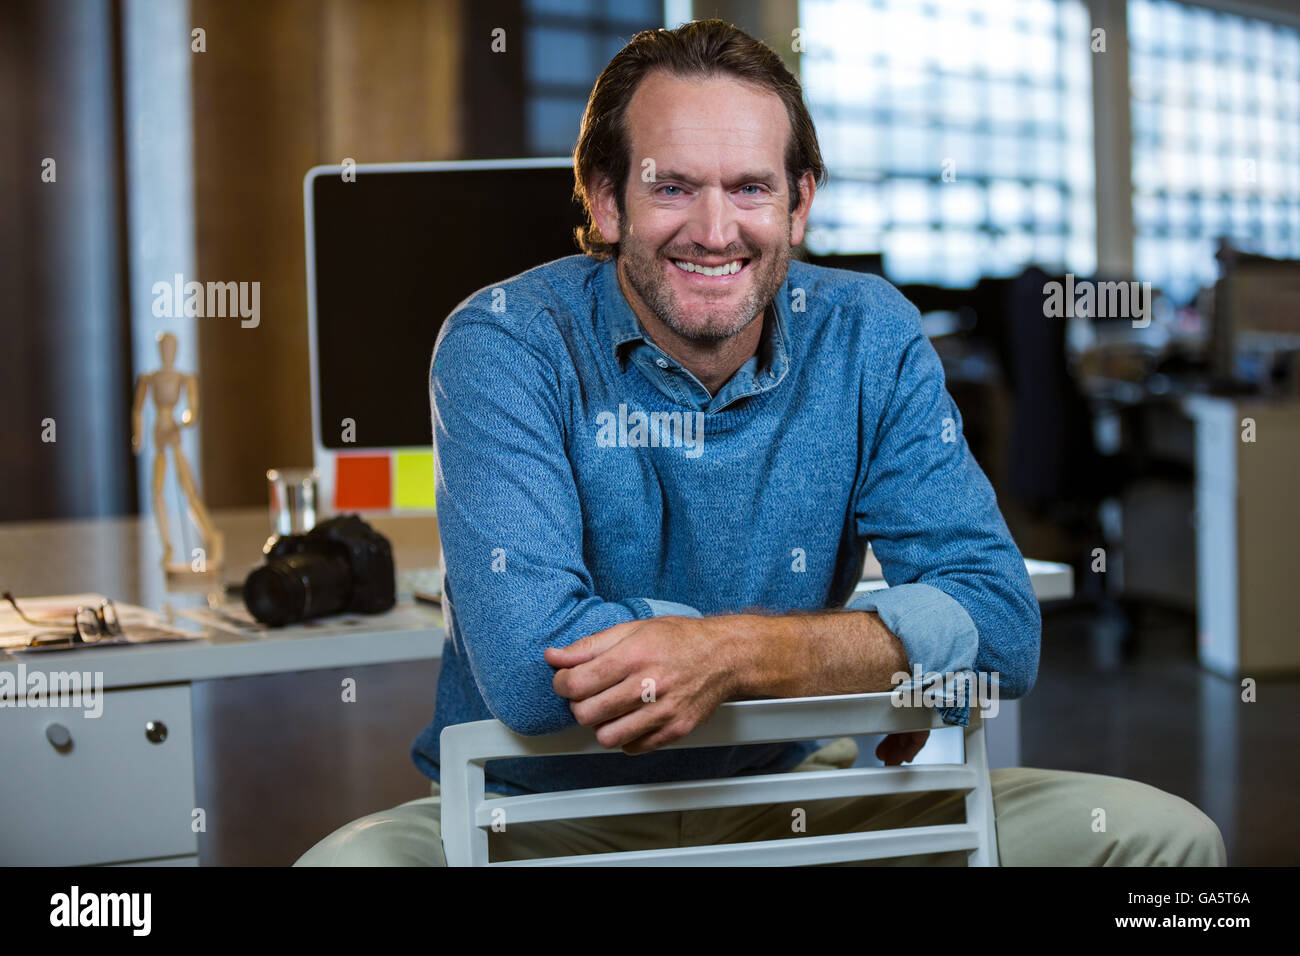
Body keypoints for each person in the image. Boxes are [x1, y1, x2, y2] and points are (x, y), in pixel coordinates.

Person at [296, 18, 1224, 866]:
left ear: (799, 203)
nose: (715, 230)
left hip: (792, 799)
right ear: (607, 198)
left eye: (750, 188)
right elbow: (536, 679)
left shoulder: (869, 334)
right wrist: (876, 650)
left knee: (1164, 844)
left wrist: (736, 655)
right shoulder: (503, 340)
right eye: (673, 188)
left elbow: (1002, 626)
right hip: (545, 822)